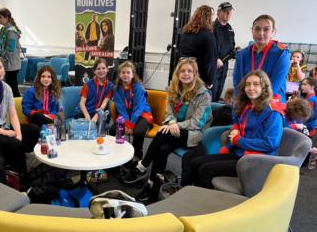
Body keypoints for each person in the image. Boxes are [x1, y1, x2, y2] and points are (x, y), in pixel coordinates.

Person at [122, 58, 212, 202]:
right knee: (162, 149)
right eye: (183, 71)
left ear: (195, 73)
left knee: (163, 133)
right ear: (178, 73)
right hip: (174, 131)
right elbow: (169, 113)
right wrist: (171, 122)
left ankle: (143, 165)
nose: (186, 74)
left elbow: (198, 122)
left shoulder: (204, 94)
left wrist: (176, 126)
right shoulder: (173, 89)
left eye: (190, 71)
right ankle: (152, 185)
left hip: (193, 133)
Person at [187, 71, 284, 189]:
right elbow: (237, 131)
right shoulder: (247, 107)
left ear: (264, 88)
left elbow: (270, 144)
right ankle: (192, 194)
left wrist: (238, 141)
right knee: (194, 163)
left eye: (256, 84)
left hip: (257, 161)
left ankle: (205, 202)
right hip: (241, 154)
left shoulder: (273, 113)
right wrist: (227, 147)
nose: (251, 88)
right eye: (248, 84)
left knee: (205, 170)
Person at [0, 55, 39, 175]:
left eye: (0, 67)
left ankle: (21, 160)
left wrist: (18, 134)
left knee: (33, 130)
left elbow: (13, 114)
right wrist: (6, 133)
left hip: (4, 126)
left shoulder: (7, 88)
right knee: (14, 143)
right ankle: (22, 176)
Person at [233, 14, 290, 103]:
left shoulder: (281, 54)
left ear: (273, 32)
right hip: (245, 104)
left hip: (270, 106)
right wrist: (240, 104)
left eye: (266, 29)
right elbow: (237, 84)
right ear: (252, 30)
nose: (261, 33)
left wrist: (256, 105)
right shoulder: (242, 54)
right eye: (257, 29)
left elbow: (274, 86)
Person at [110, 61, 153, 161]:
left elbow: (139, 107)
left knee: (138, 132)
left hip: (142, 114)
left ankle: (137, 156)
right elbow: (121, 107)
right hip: (127, 115)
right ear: (119, 74)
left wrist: (130, 124)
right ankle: (117, 154)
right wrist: (126, 122)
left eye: (128, 72)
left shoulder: (138, 87)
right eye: (123, 72)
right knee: (112, 130)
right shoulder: (116, 89)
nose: (125, 75)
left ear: (133, 74)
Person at [179, 5, 217, 88]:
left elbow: (181, 54)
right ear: (209, 18)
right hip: (199, 77)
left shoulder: (185, 33)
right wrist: (209, 80)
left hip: (184, 74)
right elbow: (210, 60)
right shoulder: (208, 35)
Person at [211, 2, 235, 102]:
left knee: (218, 93)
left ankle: (215, 116)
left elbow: (232, 46)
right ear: (218, 12)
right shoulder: (212, 27)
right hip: (213, 65)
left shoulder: (230, 29)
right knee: (211, 94)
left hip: (224, 65)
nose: (228, 14)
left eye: (230, 12)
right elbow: (209, 46)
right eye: (225, 11)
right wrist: (216, 58)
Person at [0, 8, 22, 98]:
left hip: (12, 64)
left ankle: (18, 106)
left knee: (12, 88)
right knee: (8, 87)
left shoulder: (11, 31)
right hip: (6, 63)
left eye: (0, 17)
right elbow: (3, 47)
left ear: (6, 18)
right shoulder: (3, 29)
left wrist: (0, 59)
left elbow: (10, 50)